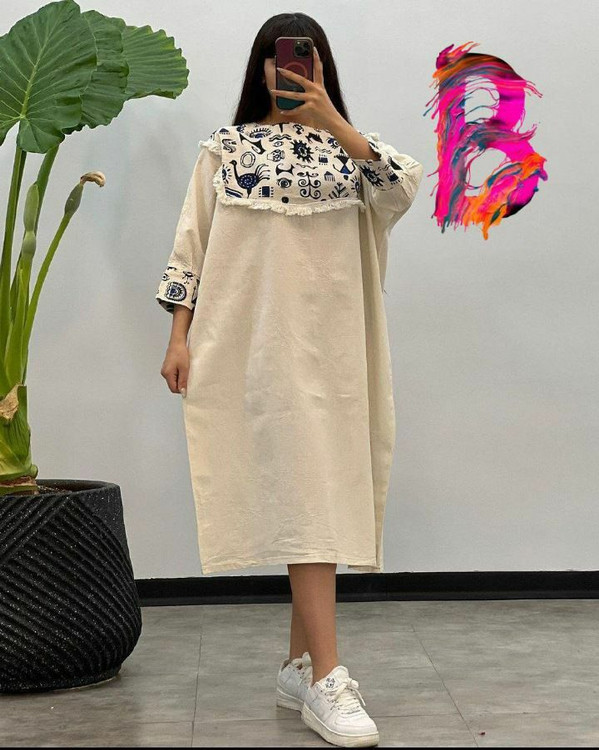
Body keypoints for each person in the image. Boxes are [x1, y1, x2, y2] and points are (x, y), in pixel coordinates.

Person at [156, 13, 423, 748]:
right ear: (261, 68)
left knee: (318, 492)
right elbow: (189, 249)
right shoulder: (224, 151)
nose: (291, 70)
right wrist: (178, 337)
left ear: (320, 67)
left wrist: (332, 118)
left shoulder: (355, 153)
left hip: (336, 356)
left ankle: (299, 665)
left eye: (306, 59)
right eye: (280, 59)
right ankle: (327, 679)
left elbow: (403, 187)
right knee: (306, 493)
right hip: (250, 350)